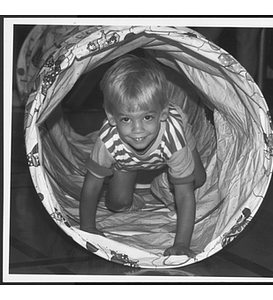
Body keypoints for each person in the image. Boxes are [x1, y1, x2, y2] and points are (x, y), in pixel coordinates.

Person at [79, 55, 206, 258]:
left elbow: (184, 194)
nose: (138, 130)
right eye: (126, 119)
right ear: (112, 118)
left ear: (163, 113)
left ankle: (164, 182)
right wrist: (87, 228)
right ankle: (129, 177)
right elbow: (91, 185)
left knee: (197, 180)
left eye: (147, 117)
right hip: (127, 160)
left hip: (175, 138)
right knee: (116, 204)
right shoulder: (108, 141)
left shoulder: (173, 136)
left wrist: (181, 243)